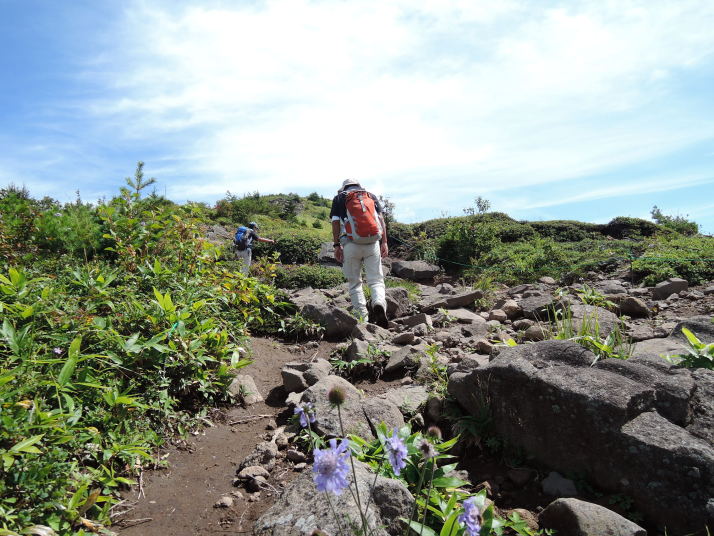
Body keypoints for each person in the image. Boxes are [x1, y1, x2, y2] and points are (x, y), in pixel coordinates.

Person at [330, 179, 389, 327]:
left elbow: (335, 222)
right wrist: (384, 242)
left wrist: (336, 245)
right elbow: (381, 219)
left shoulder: (339, 198)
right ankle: (378, 302)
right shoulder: (370, 195)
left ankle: (363, 319)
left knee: (355, 283)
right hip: (372, 243)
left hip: (350, 244)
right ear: (359, 186)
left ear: (343, 187)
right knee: (376, 280)